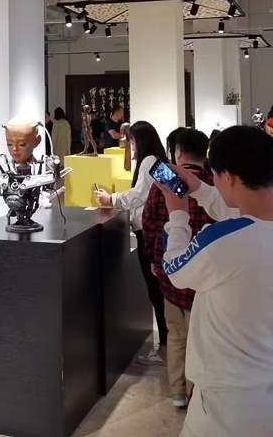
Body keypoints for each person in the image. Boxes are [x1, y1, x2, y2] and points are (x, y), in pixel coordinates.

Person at [160, 126, 273, 437]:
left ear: (228, 177)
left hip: (228, 404)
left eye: (215, 176)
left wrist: (177, 215)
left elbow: (175, 269)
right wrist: (200, 190)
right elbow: (246, 217)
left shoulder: (223, 240)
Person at [141, 128, 214, 408]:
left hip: (170, 272)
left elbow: (149, 222)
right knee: (200, 337)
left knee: (175, 334)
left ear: (178, 152)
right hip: (204, 274)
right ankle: (196, 391)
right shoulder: (213, 182)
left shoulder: (165, 181)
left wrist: (154, 258)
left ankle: (177, 393)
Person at [94, 121, 168, 365]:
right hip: (155, 231)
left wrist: (111, 198)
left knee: (155, 290)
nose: (131, 146)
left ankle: (165, 347)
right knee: (158, 291)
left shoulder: (149, 162)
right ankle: (168, 344)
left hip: (148, 232)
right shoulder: (159, 161)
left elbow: (138, 195)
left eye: (133, 141)